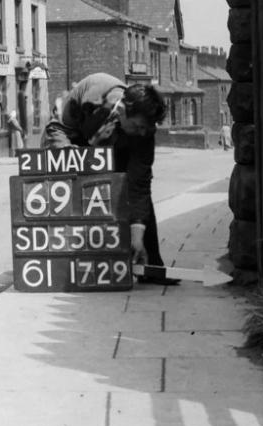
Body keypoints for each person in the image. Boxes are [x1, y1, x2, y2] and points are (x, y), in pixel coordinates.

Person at [41, 72, 178, 285]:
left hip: (117, 146)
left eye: (147, 129)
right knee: (82, 197)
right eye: (139, 126)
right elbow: (57, 127)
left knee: (135, 188)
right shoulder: (92, 97)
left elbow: (139, 184)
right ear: (122, 111)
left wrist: (137, 231)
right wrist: (73, 156)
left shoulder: (144, 132)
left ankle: (151, 265)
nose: (142, 133)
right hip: (74, 138)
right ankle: (70, 263)